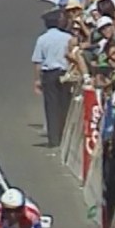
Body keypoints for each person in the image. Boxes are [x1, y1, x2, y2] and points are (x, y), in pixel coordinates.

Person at [31, 9, 72, 147]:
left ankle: (54, 139)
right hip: (65, 74)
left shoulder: (42, 39)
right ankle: (64, 136)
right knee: (65, 105)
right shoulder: (67, 37)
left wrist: (37, 80)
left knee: (51, 107)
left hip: (49, 74)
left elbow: (38, 61)